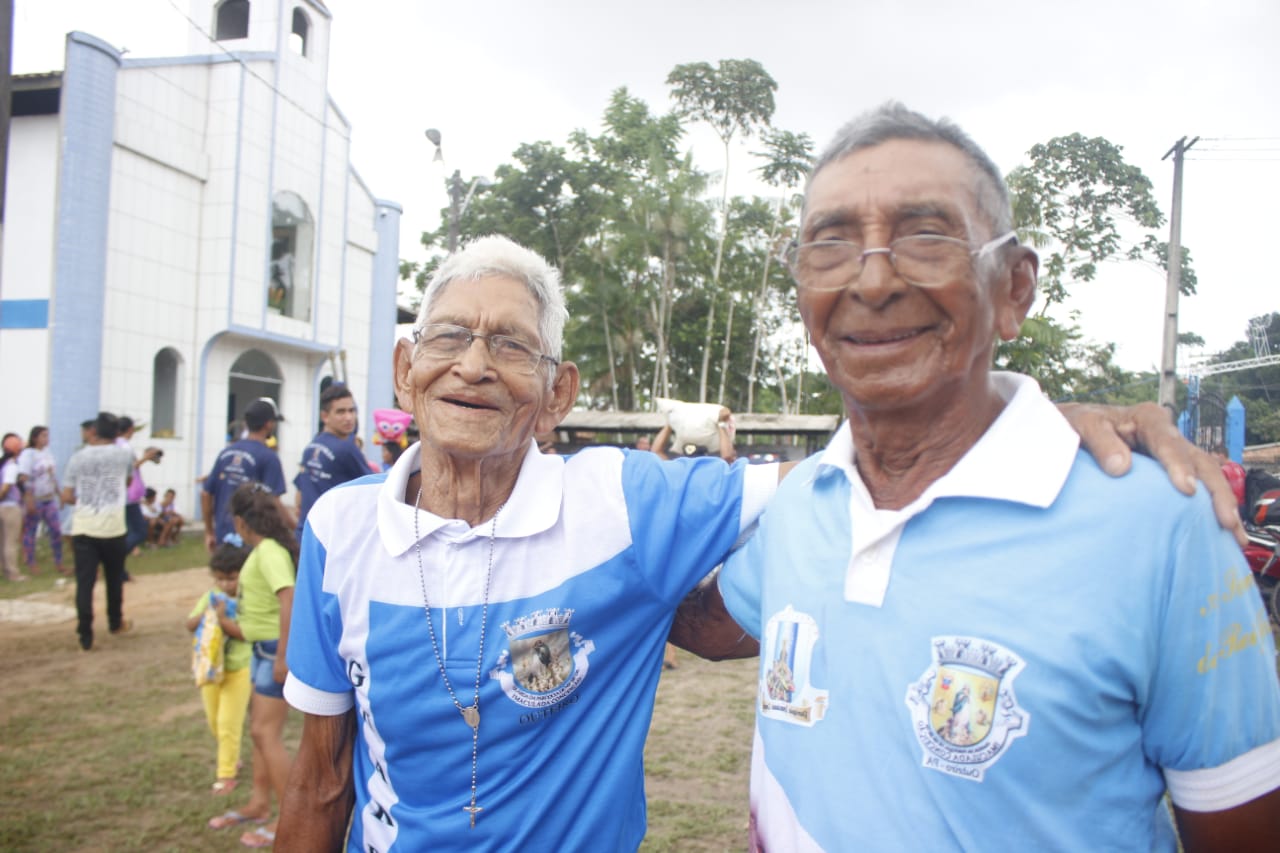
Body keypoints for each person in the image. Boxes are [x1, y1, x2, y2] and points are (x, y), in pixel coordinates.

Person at [274, 235, 1235, 851]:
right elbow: (320, 784)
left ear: (557, 393)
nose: (475, 366)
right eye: (449, 337)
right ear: (408, 366)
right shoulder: (337, 527)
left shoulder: (620, 499)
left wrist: (1015, 423)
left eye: (512, 346)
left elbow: (860, 464)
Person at [672, 102, 1280, 849]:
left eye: (926, 236)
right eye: (829, 246)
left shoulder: (1163, 527)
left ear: (1014, 289)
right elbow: (706, 624)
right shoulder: (806, 503)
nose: (871, 280)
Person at [206, 482, 298, 848]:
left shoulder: (270, 552)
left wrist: (283, 655)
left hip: (274, 652)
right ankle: (260, 803)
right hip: (262, 650)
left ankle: (288, 818)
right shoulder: (263, 551)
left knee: (266, 733)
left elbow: (288, 597)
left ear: (242, 522)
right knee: (259, 733)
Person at [62, 412, 136, 650]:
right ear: (116, 433)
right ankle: (115, 622)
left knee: (85, 582)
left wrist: (87, 499)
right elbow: (126, 483)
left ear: (93, 431)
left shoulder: (78, 457)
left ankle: (85, 633)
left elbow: (67, 495)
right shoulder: (124, 455)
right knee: (114, 579)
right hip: (114, 527)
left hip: (84, 527)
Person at [187, 541, 252, 795]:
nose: (225, 585)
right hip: (211, 669)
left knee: (228, 722)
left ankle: (226, 774)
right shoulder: (211, 598)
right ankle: (231, 756)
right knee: (213, 719)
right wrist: (207, 615)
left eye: (231, 579)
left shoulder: (250, 599)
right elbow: (189, 624)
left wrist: (223, 620)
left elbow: (245, 634)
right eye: (220, 579)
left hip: (239, 668)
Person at [202, 399, 288, 553]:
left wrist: (209, 531)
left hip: (224, 536)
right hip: (253, 539)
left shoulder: (226, 453)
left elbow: (206, 493)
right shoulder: (268, 457)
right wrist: (292, 528)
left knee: (227, 576)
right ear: (268, 424)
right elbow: (273, 501)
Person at [293, 384, 371, 534]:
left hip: (306, 533)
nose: (348, 417)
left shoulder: (311, 446)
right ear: (325, 416)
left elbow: (299, 497)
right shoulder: (347, 449)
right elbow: (375, 488)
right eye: (340, 412)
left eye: (352, 410)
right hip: (331, 537)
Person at [18, 425, 67, 575]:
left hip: (49, 498)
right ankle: (31, 562)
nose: (47, 439)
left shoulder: (47, 453)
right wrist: (28, 498)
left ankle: (59, 562)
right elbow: (23, 478)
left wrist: (60, 494)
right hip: (36, 498)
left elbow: (52, 476)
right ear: (35, 438)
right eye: (43, 436)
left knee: (56, 530)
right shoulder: (28, 454)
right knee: (31, 531)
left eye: (47, 435)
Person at [116, 416, 160, 557]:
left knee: (125, 530)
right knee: (140, 531)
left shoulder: (115, 444)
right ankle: (116, 556)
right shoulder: (124, 447)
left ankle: (119, 565)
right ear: (130, 429)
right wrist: (146, 458)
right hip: (127, 495)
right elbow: (127, 468)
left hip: (123, 494)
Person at [0, 433, 26, 582]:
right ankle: (13, 574)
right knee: (11, 542)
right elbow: (5, 488)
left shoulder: (2, 465)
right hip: (10, 508)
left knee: (2, 542)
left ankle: (4, 571)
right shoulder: (11, 466)